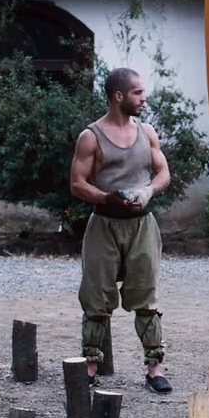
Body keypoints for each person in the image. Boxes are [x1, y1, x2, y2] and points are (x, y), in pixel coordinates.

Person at [69, 67, 173, 394]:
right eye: (137, 92)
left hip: (142, 225)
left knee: (146, 295)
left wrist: (148, 191)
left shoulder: (147, 132)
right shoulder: (91, 136)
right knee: (96, 296)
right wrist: (107, 198)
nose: (144, 98)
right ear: (118, 96)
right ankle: (90, 366)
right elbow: (77, 183)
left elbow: (164, 173)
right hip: (104, 224)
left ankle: (154, 368)